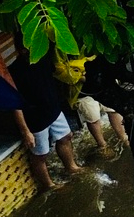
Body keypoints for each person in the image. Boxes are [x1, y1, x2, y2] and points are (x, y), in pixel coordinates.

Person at [8, 49, 82, 191]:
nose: (27, 51)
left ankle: (71, 167)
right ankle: (49, 185)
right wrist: (25, 131)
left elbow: (54, 77)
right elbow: (14, 104)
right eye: (24, 49)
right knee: (40, 154)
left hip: (53, 109)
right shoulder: (14, 71)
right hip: (34, 119)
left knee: (66, 137)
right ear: (19, 50)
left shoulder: (43, 58)